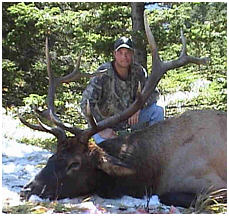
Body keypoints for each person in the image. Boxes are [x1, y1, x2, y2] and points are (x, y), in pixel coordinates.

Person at [80, 36, 164, 144]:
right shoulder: (103, 73)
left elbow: (154, 94)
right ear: (114, 54)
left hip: (129, 120)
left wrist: (139, 107)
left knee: (157, 111)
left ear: (132, 54)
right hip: (105, 125)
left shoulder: (138, 71)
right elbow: (85, 103)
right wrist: (101, 129)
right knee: (106, 153)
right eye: (120, 52)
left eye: (128, 53)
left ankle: (154, 146)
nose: (124, 57)